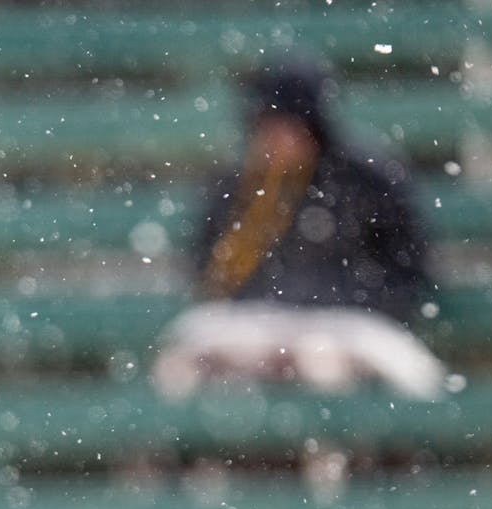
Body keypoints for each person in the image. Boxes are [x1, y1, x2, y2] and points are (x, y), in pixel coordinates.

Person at [151, 57, 447, 401]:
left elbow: (408, 269)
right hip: (254, 326)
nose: (279, 141)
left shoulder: (368, 179)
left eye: (290, 127)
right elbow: (207, 272)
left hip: (351, 326)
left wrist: (335, 303)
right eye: (269, 127)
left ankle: (354, 448)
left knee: (344, 369)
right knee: (181, 366)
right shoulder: (237, 184)